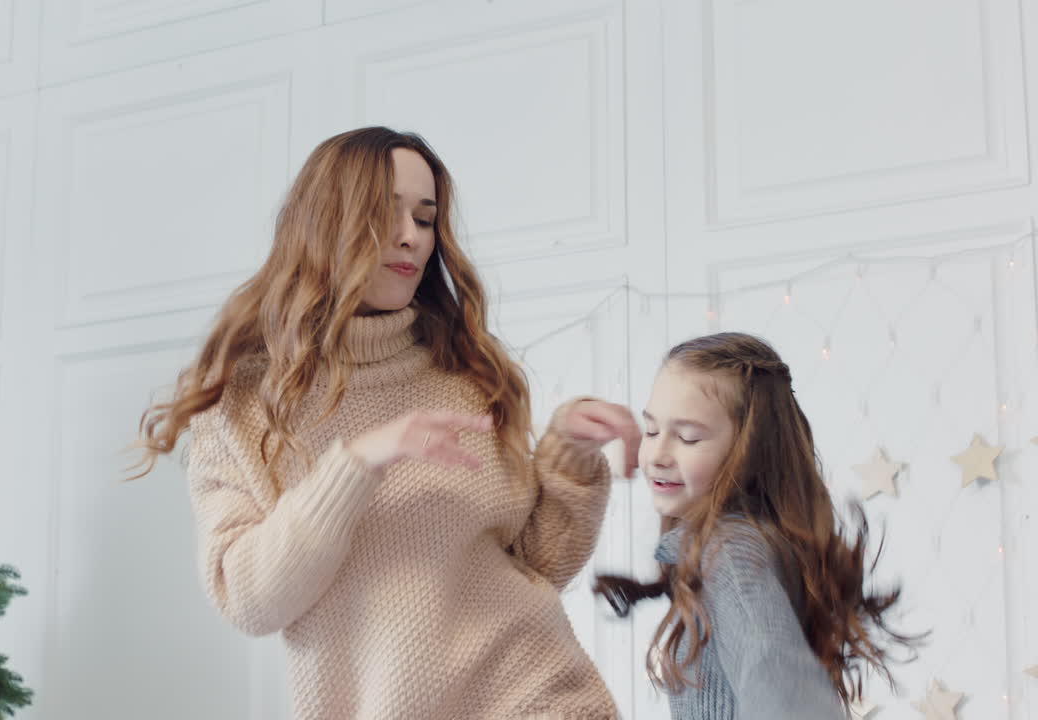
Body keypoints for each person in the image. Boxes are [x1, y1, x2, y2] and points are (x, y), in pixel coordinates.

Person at [135, 126, 641, 719]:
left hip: (539, 697)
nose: (410, 238)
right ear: (328, 221)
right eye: (385, 214)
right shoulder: (245, 406)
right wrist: (353, 466)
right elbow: (250, 600)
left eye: (425, 219)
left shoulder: (467, 372)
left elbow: (535, 565)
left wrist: (570, 457)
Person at [593, 332, 921, 720]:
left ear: (749, 449)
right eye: (650, 430)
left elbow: (779, 683)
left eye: (687, 437)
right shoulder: (753, 541)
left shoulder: (728, 551)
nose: (657, 454)